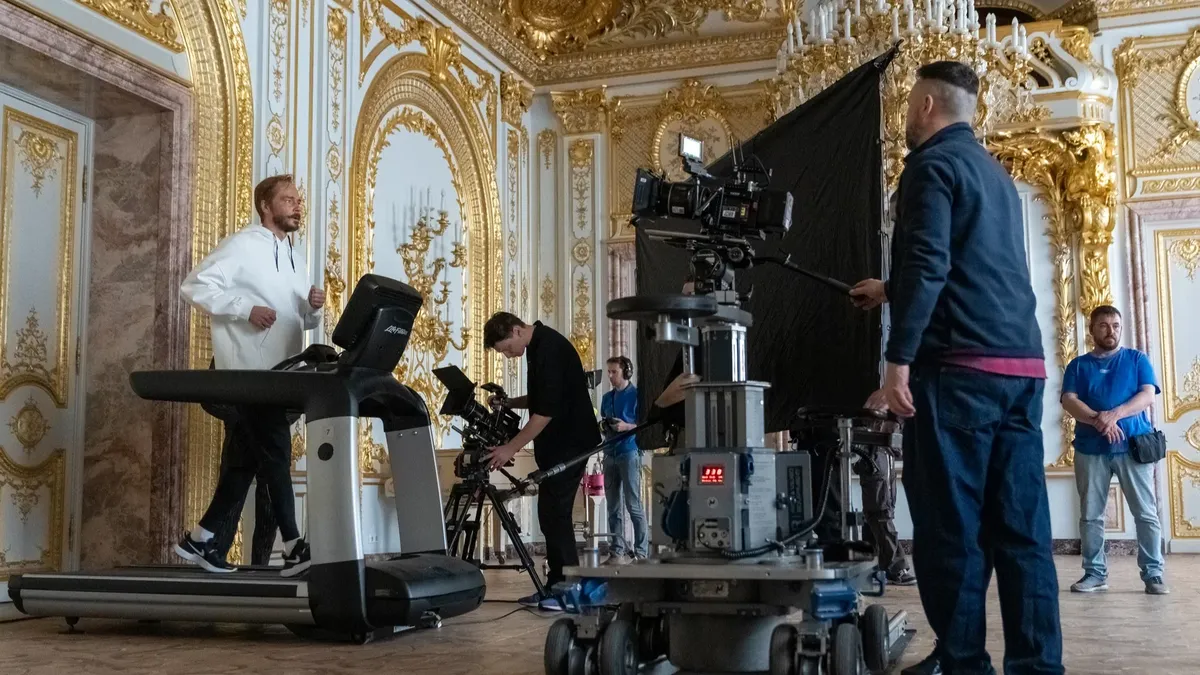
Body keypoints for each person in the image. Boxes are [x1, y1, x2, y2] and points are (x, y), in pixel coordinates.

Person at [850, 62, 1063, 675]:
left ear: (924, 105)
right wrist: (889, 289)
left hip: (958, 372)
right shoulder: (997, 175)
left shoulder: (930, 166)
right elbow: (975, 268)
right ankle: (1038, 667)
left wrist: (897, 364)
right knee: (1023, 534)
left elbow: (930, 264)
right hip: (1021, 371)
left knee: (951, 533)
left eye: (907, 105)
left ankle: (964, 664)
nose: (904, 116)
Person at [174, 174, 324, 578]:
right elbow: (194, 286)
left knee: (244, 463)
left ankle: (200, 538)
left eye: (298, 200)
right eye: (288, 200)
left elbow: (301, 320)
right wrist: (245, 309)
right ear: (265, 206)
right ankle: (294, 546)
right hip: (249, 373)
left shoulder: (296, 256)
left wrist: (312, 308)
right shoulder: (242, 244)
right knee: (276, 456)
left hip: (282, 374)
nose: (297, 206)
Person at [482, 312, 602, 610]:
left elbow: (545, 412)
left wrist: (510, 448)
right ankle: (556, 586)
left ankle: (568, 590)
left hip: (570, 444)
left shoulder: (549, 348)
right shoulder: (538, 347)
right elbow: (542, 398)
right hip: (560, 446)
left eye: (506, 348)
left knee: (555, 514)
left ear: (516, 330)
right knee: (550, 514)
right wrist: (510, 403)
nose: (508, 355)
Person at [1061, 305, 1168, 595]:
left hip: (1133, 447)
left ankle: (1153, 574)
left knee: (1145, 513)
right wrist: (1099, 420)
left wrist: (1114, 415)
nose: (1111, 331)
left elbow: (1147, 395)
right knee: (1091, 516)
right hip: (1090, 449)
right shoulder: (1078, 365)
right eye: (1104, 325)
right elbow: (1069, 400)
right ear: (1092, 330)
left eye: (1116, 325)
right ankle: (1095, 573)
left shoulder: (1136, 359)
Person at [860, 389, 916, 586]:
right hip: (875, 453)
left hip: (882, 453)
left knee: (880, 511)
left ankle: (873, 564)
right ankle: (895, 567)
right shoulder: (883, 401)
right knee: (880, 512)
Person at [599, 356, 648, 565]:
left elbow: (645, 424)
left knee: (633, 505)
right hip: (610, 453)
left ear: (626, 372)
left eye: (614, 372)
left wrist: (626, 427)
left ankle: (641, 554)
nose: (610, 376)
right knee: (613, 507)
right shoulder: (606, 398)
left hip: (629, 452)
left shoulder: (637, 396)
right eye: (608, 372)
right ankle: (616, 552)